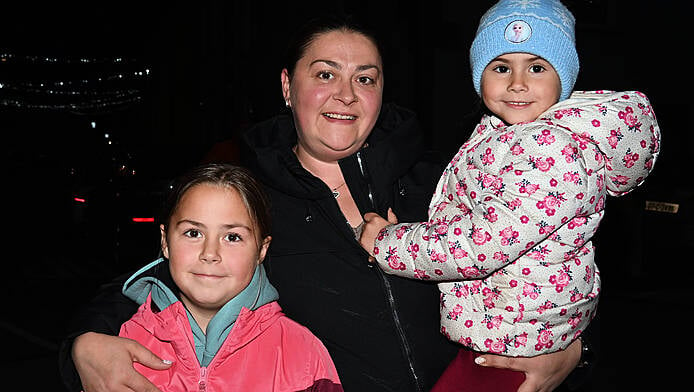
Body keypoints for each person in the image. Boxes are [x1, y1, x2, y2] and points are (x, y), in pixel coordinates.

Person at [59, 15, 588, 392]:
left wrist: (574, 349)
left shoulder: (441, 179)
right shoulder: (249, 196)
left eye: (365, 79)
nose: (346, 94)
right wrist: (83, 342)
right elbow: (161, 274)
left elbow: (559, 252)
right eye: (325, 73)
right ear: (288, 86)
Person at [360, 1, 661, 391]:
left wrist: (388, 244)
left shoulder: (551, 148)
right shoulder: (503, 136)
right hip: (507, 324)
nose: (518, 82)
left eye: (537, 68)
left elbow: (483, 243)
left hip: (516, 338)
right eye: (501, 67)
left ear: (564, 78)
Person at [117, 163, 342, 391]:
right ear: (165, 242)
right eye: (193, 233)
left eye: (232, 237)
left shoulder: (303, 354)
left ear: (261, 250)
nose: (210, 253)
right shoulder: (123, 343)